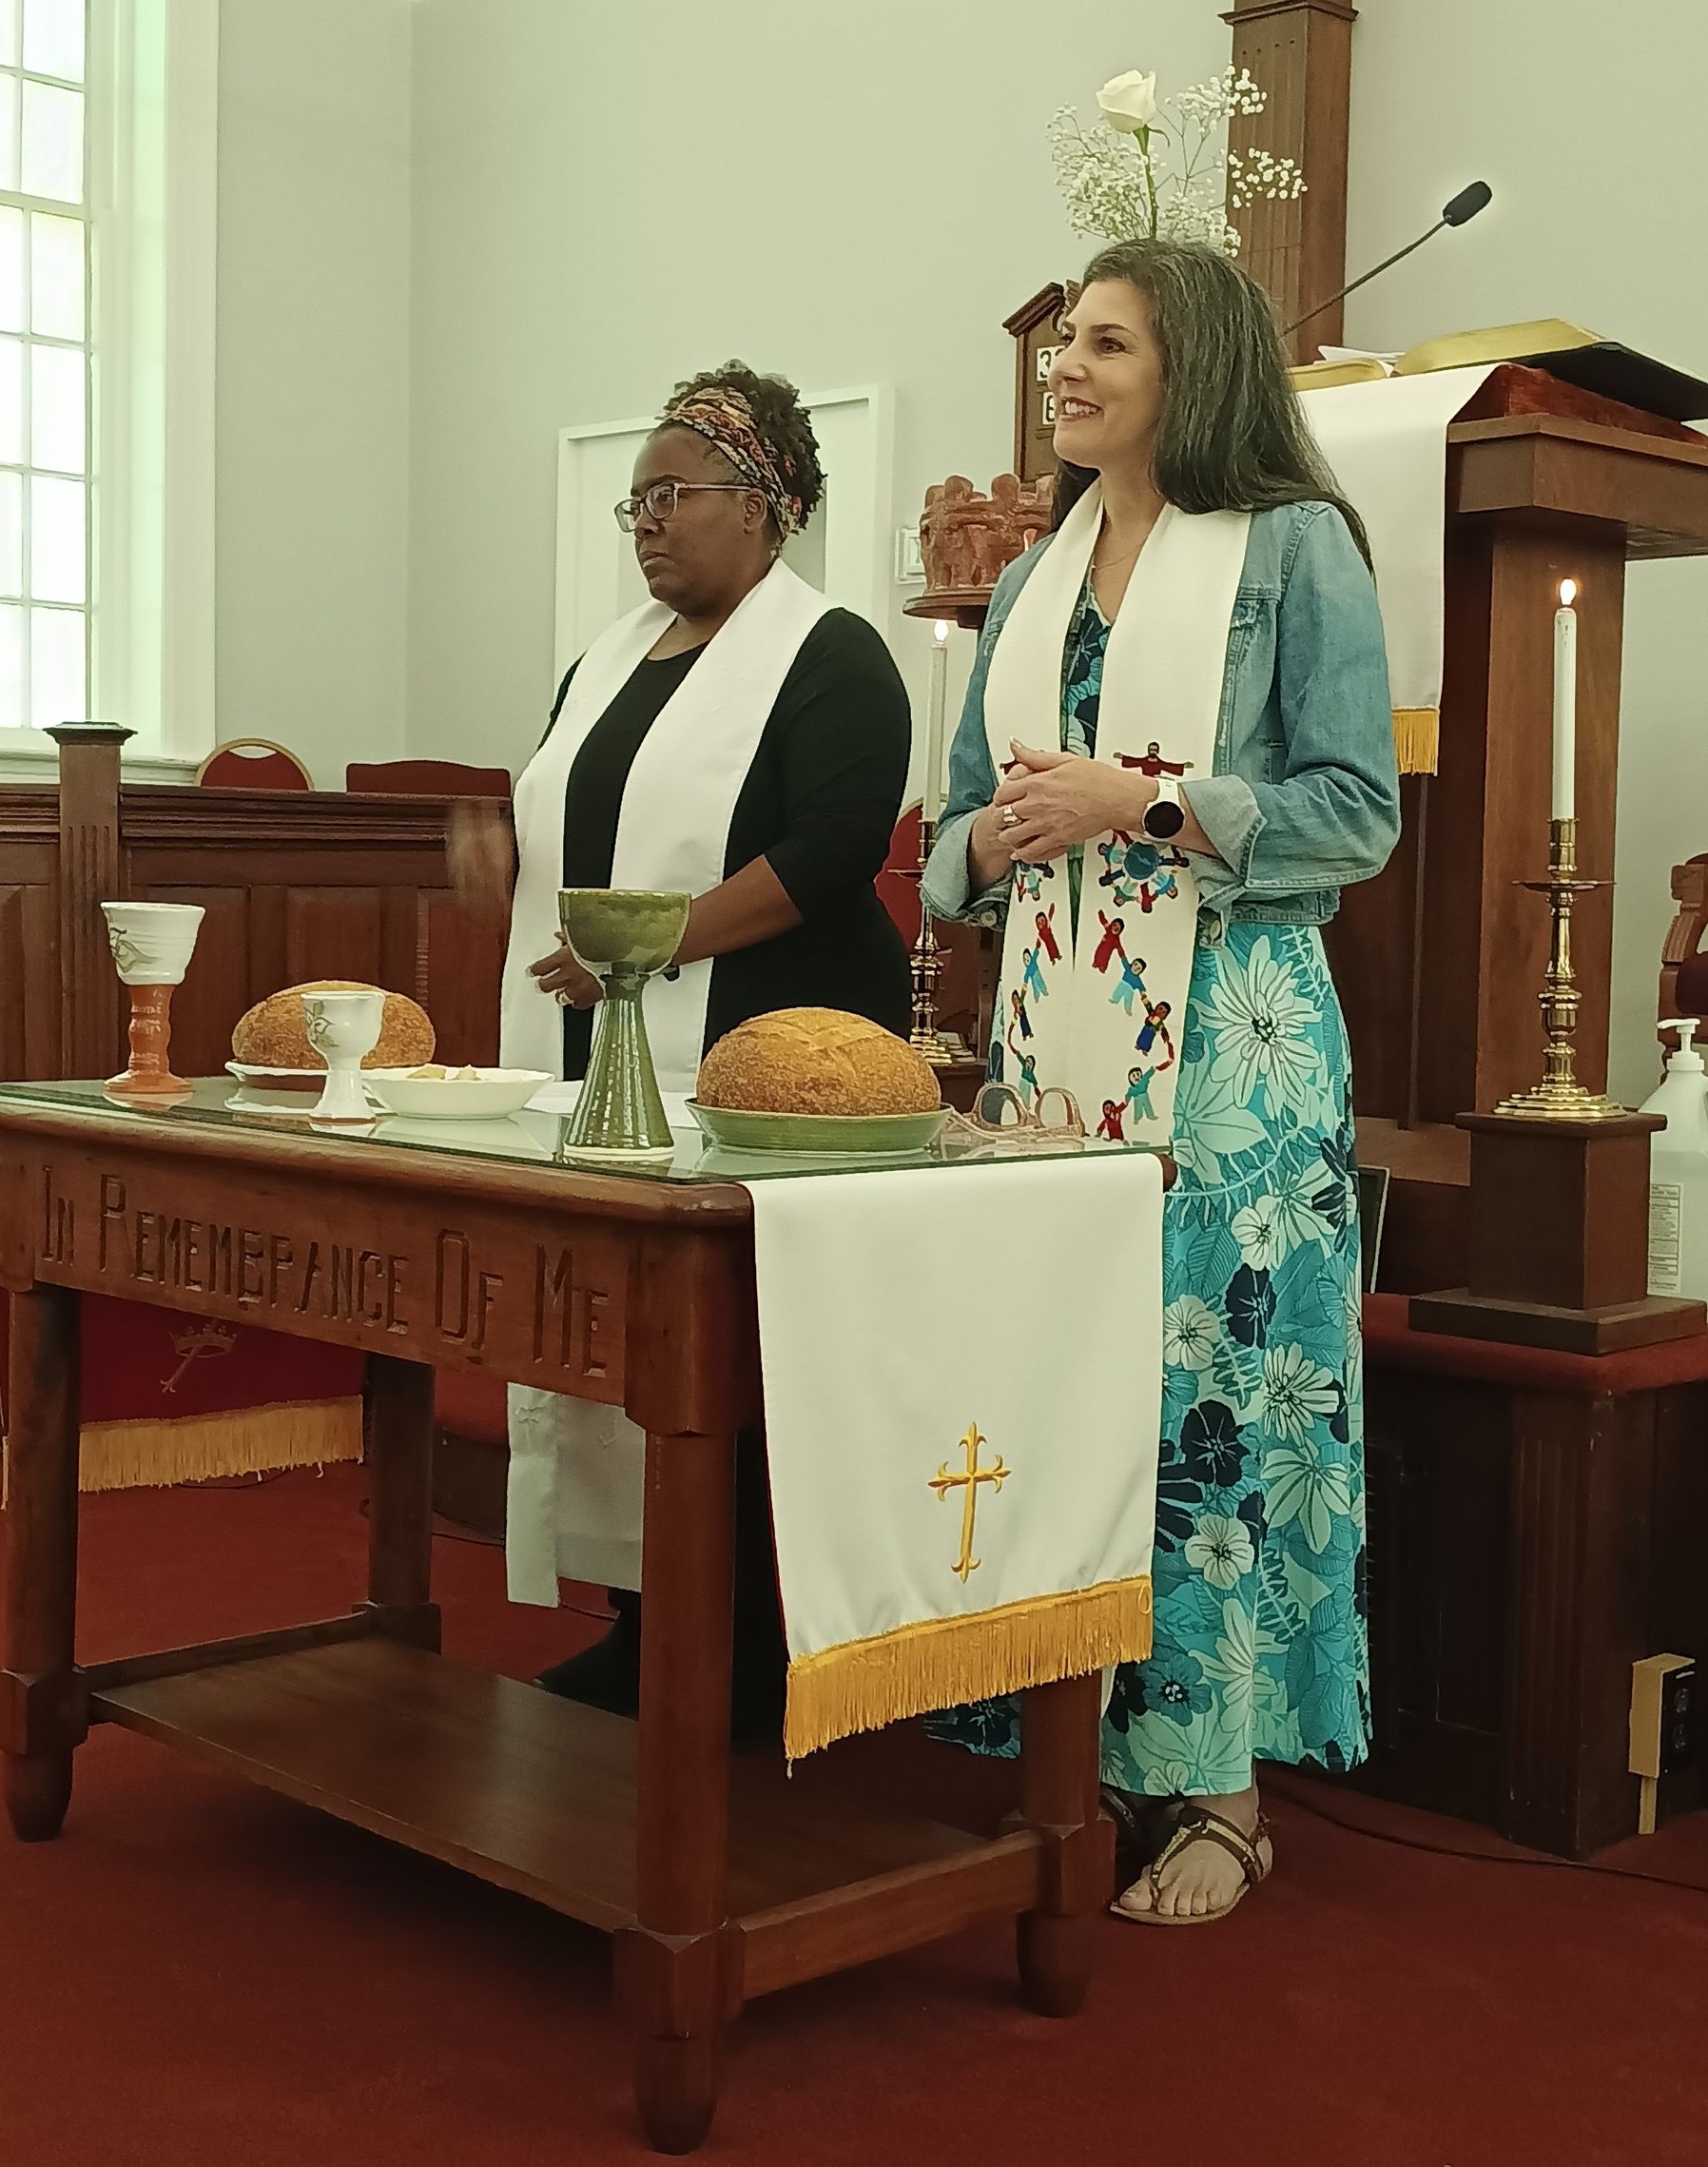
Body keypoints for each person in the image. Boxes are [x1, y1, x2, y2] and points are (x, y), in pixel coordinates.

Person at [921, 239, 1400, 1923]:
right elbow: (955, 843)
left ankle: (1219, 1787)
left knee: (1210, 1390)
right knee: (1073, 1381)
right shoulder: (1032, 570)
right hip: (1052, 1044)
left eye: (1105, 342)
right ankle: (1080, 1752)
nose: (1067, 366)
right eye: (1062, 339)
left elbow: (1357, 811)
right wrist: (992, 838)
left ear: (1189, 370)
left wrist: (1149, 805)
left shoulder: (1295, 548)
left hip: (1230, 1055)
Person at [487, 361, 913, 1731]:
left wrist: (659, 938)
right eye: (638, 501)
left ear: (767, 504)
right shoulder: (605, 657)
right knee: (618, 1329)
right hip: (603, 1041)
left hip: (769, 1055)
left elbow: (835, 849)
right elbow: (565, 820)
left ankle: (752, 1640)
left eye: (675, 495)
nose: (649, 523)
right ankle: (643, 1614)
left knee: (731, 1347)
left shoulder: (833, 653)